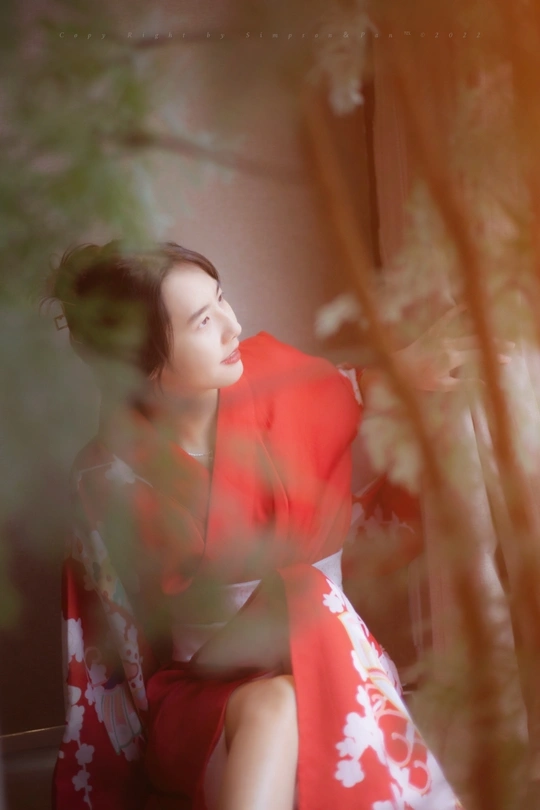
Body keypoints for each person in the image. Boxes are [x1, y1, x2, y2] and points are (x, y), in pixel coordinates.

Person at [45, 240, 493, 810]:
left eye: (222, 299)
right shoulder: (107, 476)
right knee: (297, 603)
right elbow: (115, 641)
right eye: (203, 320)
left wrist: (409, 367)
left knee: (283, 683)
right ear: (143, 360)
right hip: (203, 696)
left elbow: (354, 388)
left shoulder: (279, 376)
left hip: (331, 664)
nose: (232, 326)